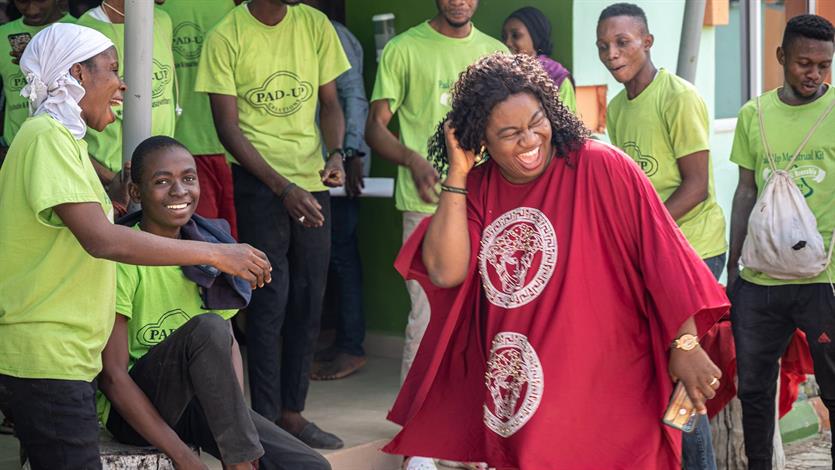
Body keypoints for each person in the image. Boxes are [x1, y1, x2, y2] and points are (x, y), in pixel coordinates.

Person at [383, 52, 728, 469]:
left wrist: (686, 343)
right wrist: (457, 173)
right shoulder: (477, 189)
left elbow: (664, 257)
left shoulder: (601, 165)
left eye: (535, 123)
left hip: (611, 380)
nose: (529, 141)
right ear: (481, 140)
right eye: (509, 133)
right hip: (524, 395)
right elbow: (444, 270)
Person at [0, 23, 270, 470]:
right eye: (111, 69)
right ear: (77, 75)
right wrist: (217, 253)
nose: (122, 83)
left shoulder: (61, 141)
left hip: (63, 358)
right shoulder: (46, 137)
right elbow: (103, 240)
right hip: (45, 355)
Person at [98, 135, 330, 470]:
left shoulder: (211, 247)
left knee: (310, 466)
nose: (179, 191)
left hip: (197, 406)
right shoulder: (124, 257)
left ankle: (240, 459)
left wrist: (231, 430)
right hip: (133, 413)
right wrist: (184, 457)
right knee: (206, 328)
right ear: (136, 193)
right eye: (162, 181)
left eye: (188, 179)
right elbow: (113, 378)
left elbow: (228, 347)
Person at [195, 0, 349, 450]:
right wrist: (282, 189)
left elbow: (331, 104)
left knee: (309, 295)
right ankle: (264, 420)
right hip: (259, 182)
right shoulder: (227, 35)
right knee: (269, 299)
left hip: (309, 182)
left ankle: (294, 414)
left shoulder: (315, 25)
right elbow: (228, 129)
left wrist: (336, 154)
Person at [597, 4, 728, 469]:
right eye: (604, 46)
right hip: (653, 257)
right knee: (662, 377)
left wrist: (644, 233)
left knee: (684, 379)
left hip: (696, 254)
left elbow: (697, 186)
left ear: (647, 42)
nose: (612, 54)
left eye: (623, 42)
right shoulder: (616, 108)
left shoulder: (679, 97)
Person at [365, 0, 507, 386]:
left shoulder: (496, 54)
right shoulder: (404, 49)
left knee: (491, 316)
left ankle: (480, 422)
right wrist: (412, 159)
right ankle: (417, 429)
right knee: (427, 317)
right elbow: (375, 128)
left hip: (487, 207)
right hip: (426, 206)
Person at [728, 14, 835, 470]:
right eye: (803, 63)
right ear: (781, 58)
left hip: (824, 276)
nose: (813, 74)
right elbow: (745, 190)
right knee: (753, 387)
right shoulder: (755, 114)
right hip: (760, 278)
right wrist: (733, 267)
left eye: (824, 65)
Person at [302, 0, 371, 381]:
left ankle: (351, 346)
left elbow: (353, 97)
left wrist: (349, 152)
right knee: (324, 255)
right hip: (313, 163)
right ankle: (336, 339)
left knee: (341, 254)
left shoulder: (333, 33)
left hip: (338, 164)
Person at [76, 0, 177, 212]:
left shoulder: (163, 20)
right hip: (110, 185)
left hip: (159, 179)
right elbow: (68, 129)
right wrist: (112, 179)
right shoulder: (84, 31)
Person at [159, 0, 240, 238]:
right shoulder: (155, 8)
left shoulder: (236, 6)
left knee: (230, 245)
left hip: (238, 149)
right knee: (204, 246)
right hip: (182, 148)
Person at [0, 0, 72, 150]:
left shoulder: (78, 31)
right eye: (22, 1)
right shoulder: (2, 35)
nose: (31, 9)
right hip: (13, 147)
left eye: (41, 0)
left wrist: (40, 65)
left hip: (65, 145)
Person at [501, 6, 576, 113]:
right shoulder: (501, 74)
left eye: (516, 35)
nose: (507, 42)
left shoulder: (557, 77)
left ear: (535, 37)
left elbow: (568, 124)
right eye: (504, 37)